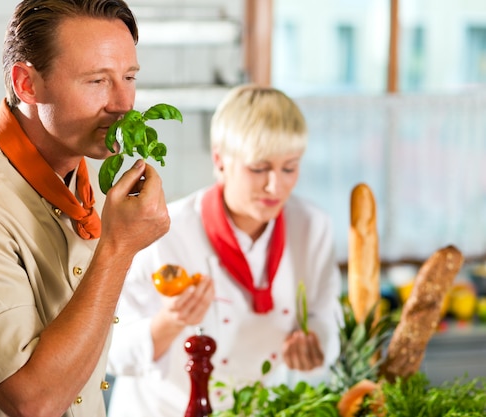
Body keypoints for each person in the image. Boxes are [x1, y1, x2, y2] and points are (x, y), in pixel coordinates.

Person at [0, 1, 170, 416]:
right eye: (96, 81)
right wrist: (118, 249)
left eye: (128, 77)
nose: (123, 104)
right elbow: (33, 403)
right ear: (26, 84)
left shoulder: (79, 182)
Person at [106, 84, 343, 416]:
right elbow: (112, 353)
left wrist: (317, 345)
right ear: (220, 160)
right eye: (258, 168)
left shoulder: (312, 228)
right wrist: (170, 321)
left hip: (258, 408)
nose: (275, 186)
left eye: (289, 168)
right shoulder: (162, 229)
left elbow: (327, 318)